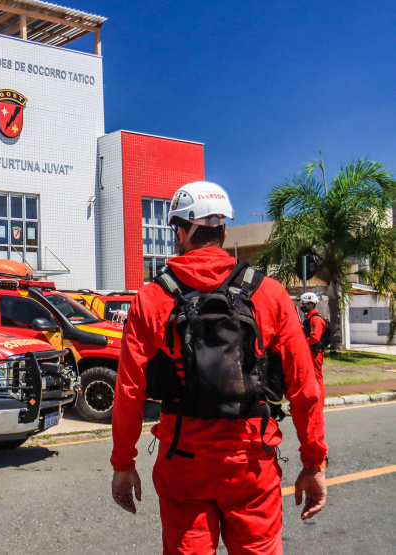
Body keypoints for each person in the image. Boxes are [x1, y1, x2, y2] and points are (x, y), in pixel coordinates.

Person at [110, 181, 328, 554]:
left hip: (183, 462)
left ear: (180, 232)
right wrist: (314, 462)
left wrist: (123, 463)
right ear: (224, 230)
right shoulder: (269, 293)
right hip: (251, 461)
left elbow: (129, 391)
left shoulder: (151, 298)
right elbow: (305, 386)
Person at [300, 292, 327, 398]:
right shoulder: (310, 318)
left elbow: (315, 337)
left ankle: (319, 403)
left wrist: (302, 343)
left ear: (310, 304)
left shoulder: (316, 319)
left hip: (315, 353)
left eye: (304, 304)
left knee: (317, 377)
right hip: (310, 352)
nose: (302, 307)